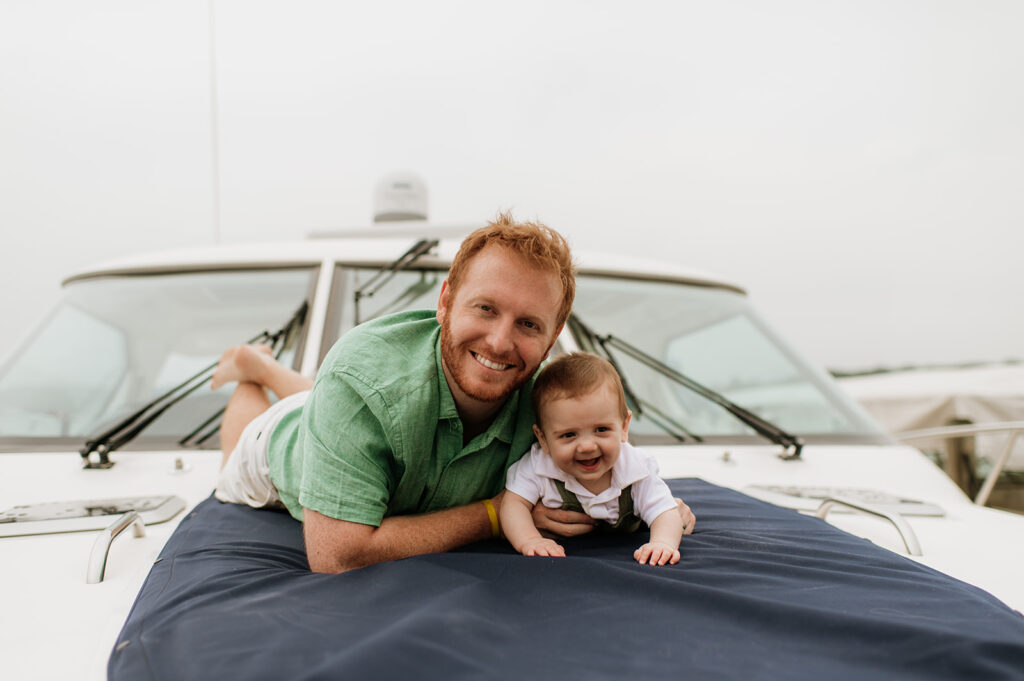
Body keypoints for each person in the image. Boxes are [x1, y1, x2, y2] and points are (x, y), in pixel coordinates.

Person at [212, 213, 695, 573]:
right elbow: (337, 556)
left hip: (362, 405)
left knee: (344, 396)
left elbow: (606, 457)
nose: (501, 343)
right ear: (444, 301)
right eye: (485, 308)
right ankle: (253, 376)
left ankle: (271, 370)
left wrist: (648, 505)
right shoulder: (360, 380)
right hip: (276, 452)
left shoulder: (551, 398)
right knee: (243, 444)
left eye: (528, 324)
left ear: (554, 335)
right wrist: (491, 515)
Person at [501, 353, 683, 565]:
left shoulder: (636, 469)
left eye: (601, 429)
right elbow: (513, 505)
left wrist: (662, 543)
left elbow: (665, 512)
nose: (587, 446)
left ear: (624, 428)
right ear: (543, 438)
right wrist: (530, 540)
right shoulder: (539, 466)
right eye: (569, 435)